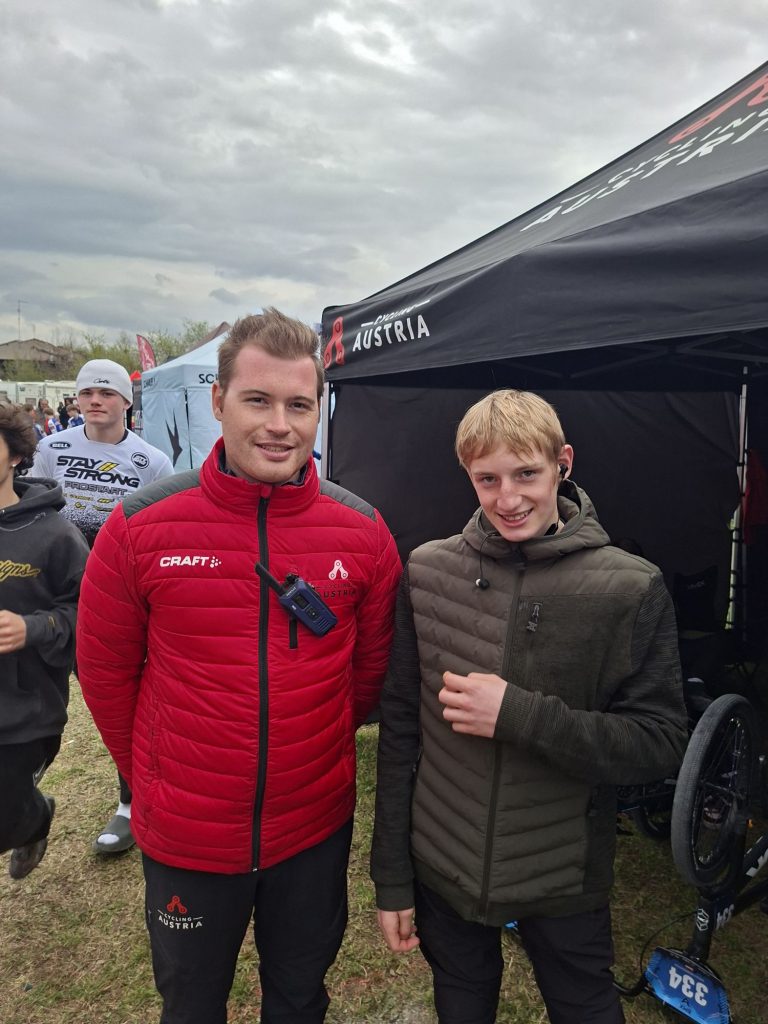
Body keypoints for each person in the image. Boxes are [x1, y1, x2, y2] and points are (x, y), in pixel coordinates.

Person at [75, 309, 401, 1023]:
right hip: (187, 833)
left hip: (312, 828)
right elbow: (103, 672)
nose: (279, 425)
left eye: (299, 405)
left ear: (320, 410)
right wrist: (156, 773)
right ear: (218, 401)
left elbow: (367, 674)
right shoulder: (139, 527)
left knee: (300, 995)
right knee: (191, 1002)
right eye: (258, 400)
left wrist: (308, 754)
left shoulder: (364, 533)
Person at [371, 389, 688, 1024]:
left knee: (584, 1004)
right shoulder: (427, 572)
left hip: (562, 875)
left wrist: (519, 715)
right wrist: (392, 877)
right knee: (462, 999)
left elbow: (660, 743)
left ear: (562, 463)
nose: (508, 498)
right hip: (444, 863)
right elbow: (401, 729)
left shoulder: (629, 586)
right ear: (467, 475)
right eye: (487, 479)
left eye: (526, 474)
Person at [32, 359, 174, 856]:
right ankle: (22, 799)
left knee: (123, 701)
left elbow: (159, 531)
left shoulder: (151, 460)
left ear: (126, 402)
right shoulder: (50, 449)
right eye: (87, 392)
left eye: (107, 393)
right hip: (56, 597)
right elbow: (32, 516)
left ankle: (130, 804)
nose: (95, 401)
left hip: (117, 599)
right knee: (40, 696)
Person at [0, 403, 89, 879]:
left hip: (25, 711)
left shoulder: (55, 535)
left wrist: (31, 628)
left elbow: (88, 613)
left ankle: (34, 819)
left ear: (16, 455)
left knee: (5, 816)